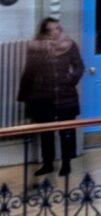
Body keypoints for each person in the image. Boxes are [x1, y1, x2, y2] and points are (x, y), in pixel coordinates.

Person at [19, 16, 81, 183]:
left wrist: (70, 79)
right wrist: (24, 97)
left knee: (66, 131)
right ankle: (48, 163)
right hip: (43, 96)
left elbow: (79, 66)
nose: (54, 32)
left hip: (65, 96)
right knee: (46, 133)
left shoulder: (70, 45)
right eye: (50, 30)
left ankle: (66, 163)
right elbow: (29, 72)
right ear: (43, 32)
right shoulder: (36, 48)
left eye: (57, 29)